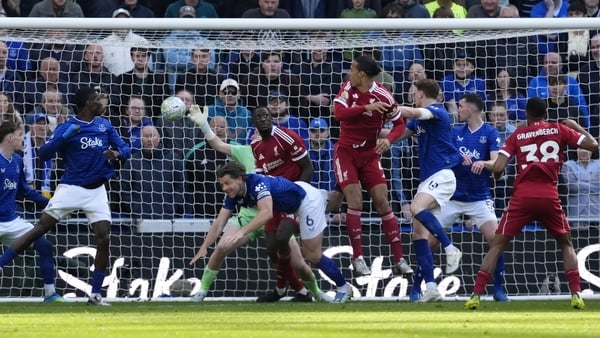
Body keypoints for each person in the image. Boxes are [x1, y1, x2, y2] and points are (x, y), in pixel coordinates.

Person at [0, 87, 132, 306]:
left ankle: (96, 294)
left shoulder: (104, 125)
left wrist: (118, 153)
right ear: (88, 104)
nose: (104, 103)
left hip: (97, 190)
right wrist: (65, 136)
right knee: (39, 230)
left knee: (104, 237)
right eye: (99, 99)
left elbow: (126, 149)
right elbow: (43, 154)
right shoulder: (67, 127)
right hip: (71, 188)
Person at [464, 97, 598, 310]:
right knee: (566, 244)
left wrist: (497, 174)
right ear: (546, 113)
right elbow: (594, 145)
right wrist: (574, 125)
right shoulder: (558, 130)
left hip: (523, 197)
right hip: (549, 195)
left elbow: (498, 167)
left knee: (498, 244)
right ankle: (576, 295)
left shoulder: (518, 134)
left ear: (527, 114)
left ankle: (475, 295)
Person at [187, 106, 332, 302]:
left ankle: (314, 292)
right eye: (256, 124)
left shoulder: (280, 147)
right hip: (249, 213)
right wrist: (204, 125)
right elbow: (218, 145)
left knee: (297, 262)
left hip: (275, 209)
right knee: (222, 247)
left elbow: (303, 167)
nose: (259, 131)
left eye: (264, 122)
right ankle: (202, 291)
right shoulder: (245, 151)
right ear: (252, 128)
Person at [409, 94, 508, 302]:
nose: (457, 110)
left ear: (471, 109)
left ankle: (499, 289)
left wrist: (482, 163)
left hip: (479, 198)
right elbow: (445, 158)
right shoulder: (455, 132)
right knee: (429, 242)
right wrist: (456, 159)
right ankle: (417, 289)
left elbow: (495, 162)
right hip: (452, 198)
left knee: (496, 239)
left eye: (461, 107)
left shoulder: (490, 132)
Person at [212, 160, 352, 302]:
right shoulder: (241, 189)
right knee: (278, 242)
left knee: (312, 255)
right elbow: (220, 221)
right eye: (221, 184)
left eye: (227, 183)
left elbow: (266, 213)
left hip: (306, 201)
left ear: (240, 178)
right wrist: (204, 247)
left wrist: (241, 232)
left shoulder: (258, 182)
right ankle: (286, 289)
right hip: (290, 198)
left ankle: (343, 287)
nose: (224, 187)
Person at [382, 78, 463, 302]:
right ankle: (430, 287)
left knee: (416, 207)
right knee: (419, 235)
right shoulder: (419, 122)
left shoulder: (437, 111)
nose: (411, 95)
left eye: (412, 92)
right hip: (427, 180)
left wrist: (388, 106)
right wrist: (365, 130)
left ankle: (450, 247)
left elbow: (418, 114)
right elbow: (395, 135)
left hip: (443, 175)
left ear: (419, 94)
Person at [332, 55, 413, 277]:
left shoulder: (384, 95)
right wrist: (365, 107)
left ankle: (399, 259)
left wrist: (388, 140)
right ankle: (358, 257)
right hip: (346, 152)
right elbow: (338, 113)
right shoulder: (348, 88)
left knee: (383, 203)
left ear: (362, 74)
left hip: (369, 154)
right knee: (354, 201)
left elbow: (399, 125)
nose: (349, 72)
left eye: (352, 68)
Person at [0, 120, 64, 303]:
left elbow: (24, 190)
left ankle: (50, 294)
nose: (22, 139)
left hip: (11, 220)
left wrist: (50, 203)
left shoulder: (18, 160)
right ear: (10, 138)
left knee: (44, 246)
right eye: (20, 135)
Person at [120, 125, 188, 219]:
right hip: (140, 218)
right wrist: (136, 209)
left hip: (169, 217)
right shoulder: (132, 161)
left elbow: (182, 186)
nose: (149, 139)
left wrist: (171, 208)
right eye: (146, 136)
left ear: (159, 138)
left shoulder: (173, 158)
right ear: (141, 140)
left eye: (152, 136)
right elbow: (125, 189)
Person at [561, 148, 600, 228]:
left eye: (587, 148)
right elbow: (571, 186)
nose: (584, 151)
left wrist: (579, 181)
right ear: (576, 150)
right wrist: (593, 184)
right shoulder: (567, 165)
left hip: (597, 211)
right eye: (581, 148)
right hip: (576, 214)